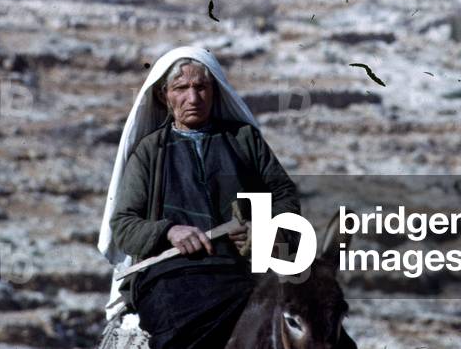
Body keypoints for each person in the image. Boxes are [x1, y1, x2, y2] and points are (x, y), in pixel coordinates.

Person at [97, 46, 307, 348]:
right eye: (181, 88)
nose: (193, 98)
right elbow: (125, 225)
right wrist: (169, 231)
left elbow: (284, 195)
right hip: (171, 277)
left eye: (201, 87)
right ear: (164, 96)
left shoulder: (244, 140)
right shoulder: (149, 152)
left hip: (240, 271)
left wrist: (261, 231)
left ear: (214, 91)